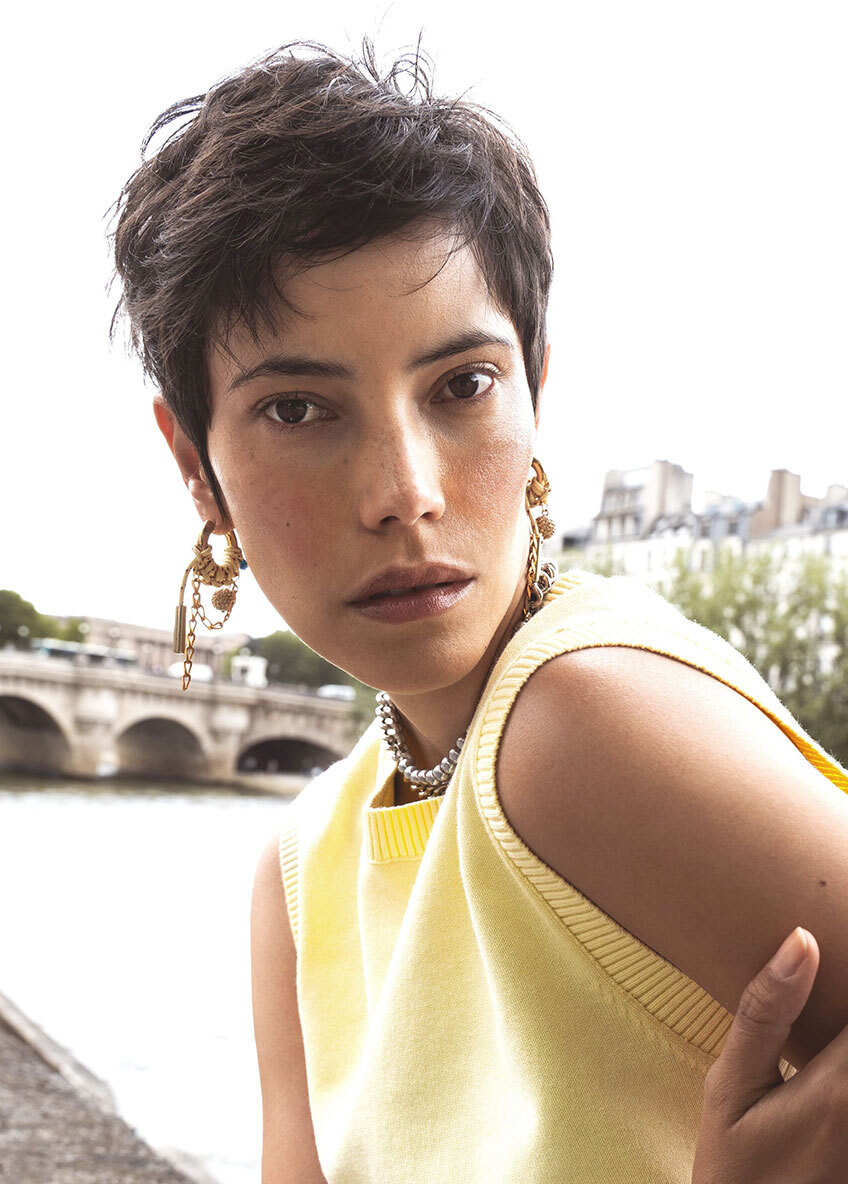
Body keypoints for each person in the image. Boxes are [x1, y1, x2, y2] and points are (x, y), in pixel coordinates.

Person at [110, 40, 848, 1183]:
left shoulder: (582, 723)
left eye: (460, 385)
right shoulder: (300, 869)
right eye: (298, 408)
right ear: (193, 463)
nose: (403, 490)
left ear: (534, 389)